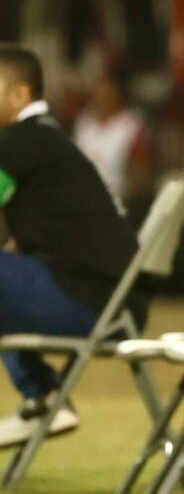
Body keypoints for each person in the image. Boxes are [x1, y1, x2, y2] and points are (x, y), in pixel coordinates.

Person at [0, 45, 143, 447]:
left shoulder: (20, 142)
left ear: (20, 95)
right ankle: (43, 398)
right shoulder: (43, 139)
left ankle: (42, 394)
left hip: (95, 304)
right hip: (115, 304)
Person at [73, 65, 152, 211]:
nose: (102, 98)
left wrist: (131, 200)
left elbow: (141, 172)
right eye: (99, 92)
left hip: (119, 203)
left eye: (108, 93)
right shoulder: (84, 122)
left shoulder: (131, 124)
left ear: (118, 94)